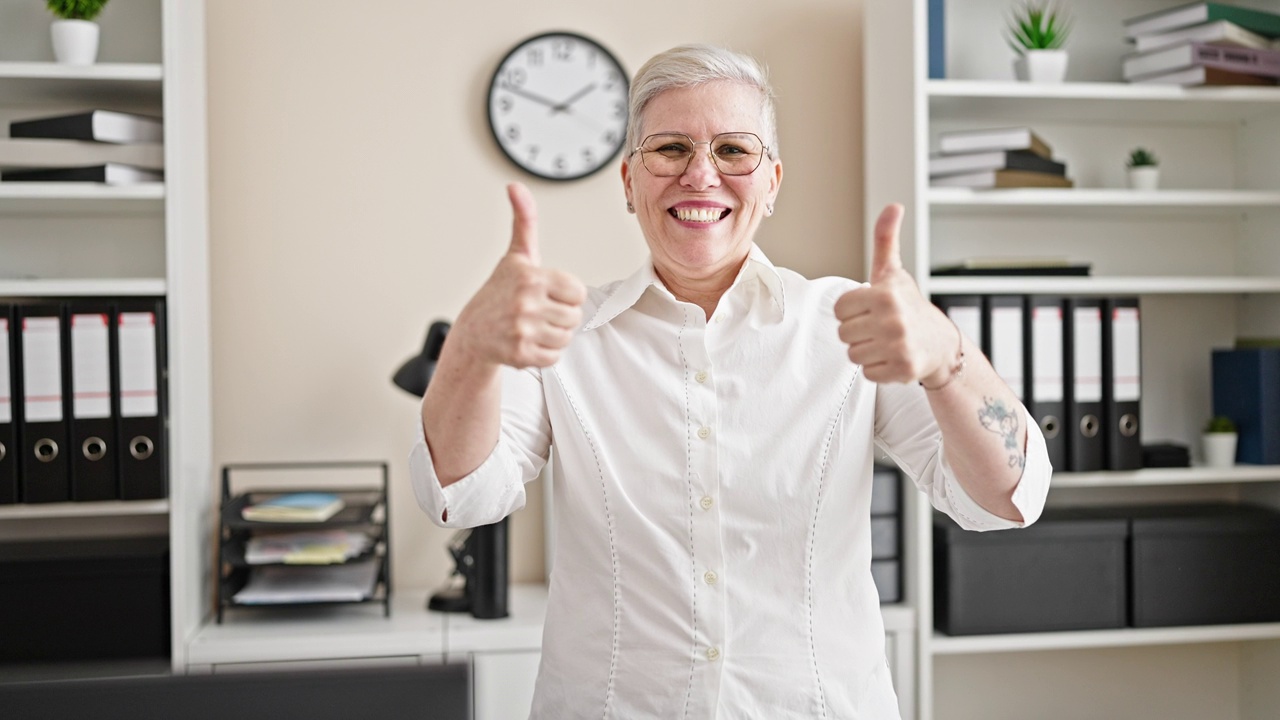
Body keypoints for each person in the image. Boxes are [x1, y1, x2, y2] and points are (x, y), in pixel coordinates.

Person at [409, 44, 1051, 719]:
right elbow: (461, 494)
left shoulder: (852, 324)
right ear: (629, 181)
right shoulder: (563, 336)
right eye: (670, 149)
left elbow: (1006, 499)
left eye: (733, 151)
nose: (700, 175)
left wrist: (948, 355)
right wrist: (469, 351)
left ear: (772, 181)